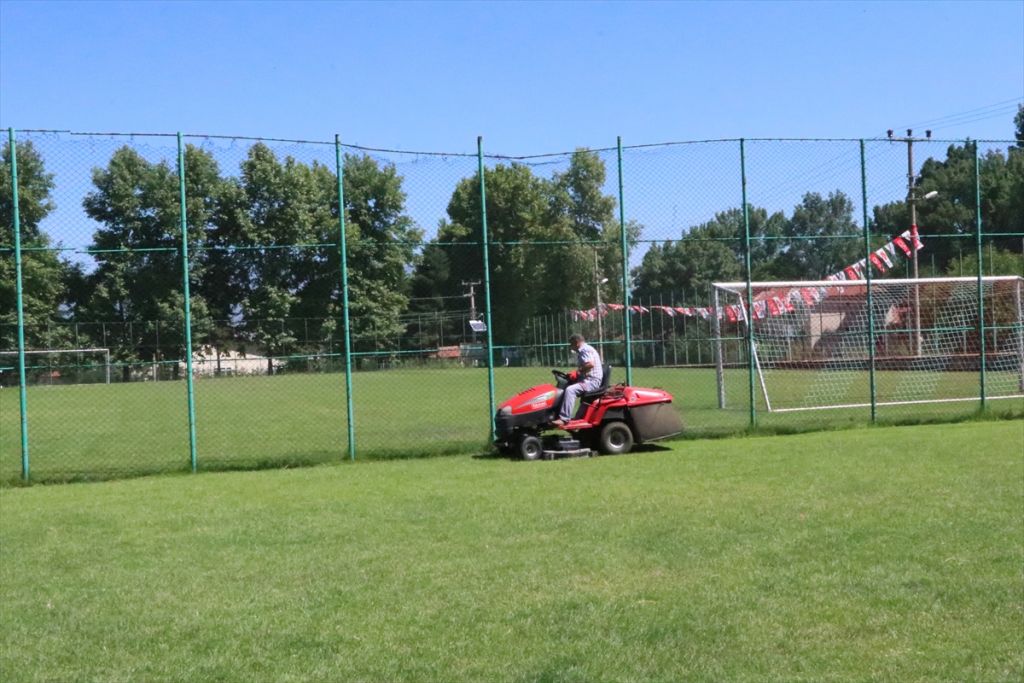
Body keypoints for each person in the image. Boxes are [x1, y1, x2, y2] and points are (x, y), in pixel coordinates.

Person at [552, 333, 603, 427]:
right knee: (567, 386)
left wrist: (578, 372)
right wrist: (573, 375)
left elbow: (590, 364)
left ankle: (564, 418)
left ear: (576, 342)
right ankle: (557, 415)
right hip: (587, 379)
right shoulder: (585, 349)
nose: (570, 347)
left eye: (571, 344)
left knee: (570, 390)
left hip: (592, 381)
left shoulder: (585, 349)